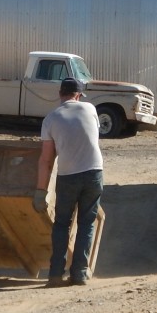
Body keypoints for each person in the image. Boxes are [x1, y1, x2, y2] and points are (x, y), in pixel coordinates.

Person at [35, 77, 104, 287]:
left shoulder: (50, 119)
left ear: (60, 94)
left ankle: (56, 274)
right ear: (78, 95)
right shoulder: (90, 109)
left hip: (68, 175)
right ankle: (80, 273)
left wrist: (40, 191)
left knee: (62, 224)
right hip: (94, 172)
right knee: (86, 222)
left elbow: (46, 160)